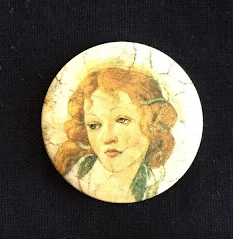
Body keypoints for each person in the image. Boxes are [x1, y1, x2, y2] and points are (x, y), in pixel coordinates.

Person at [55, 67, 178, 203]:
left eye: (122, 120)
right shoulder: (77, 178)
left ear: (153, 123)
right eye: (93, 125)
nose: (107, 138)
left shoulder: (157, 182)